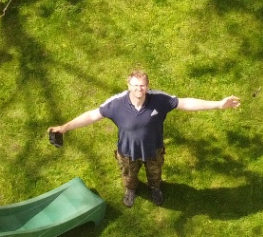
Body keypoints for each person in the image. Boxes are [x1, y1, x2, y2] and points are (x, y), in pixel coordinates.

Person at [49, 69, 240, 207]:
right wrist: (64, 128)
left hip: (153, 151)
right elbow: (91, 116)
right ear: (128, 86)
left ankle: (155, 188)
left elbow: (186, 103)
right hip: (127, 152)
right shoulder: (116, 104)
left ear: (147, 86)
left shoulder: (159, 99)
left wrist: (218, 104)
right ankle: (131, 190)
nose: (139, 89)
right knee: (129, 176)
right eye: (135, 86)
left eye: (142, 85)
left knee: (155, 174)